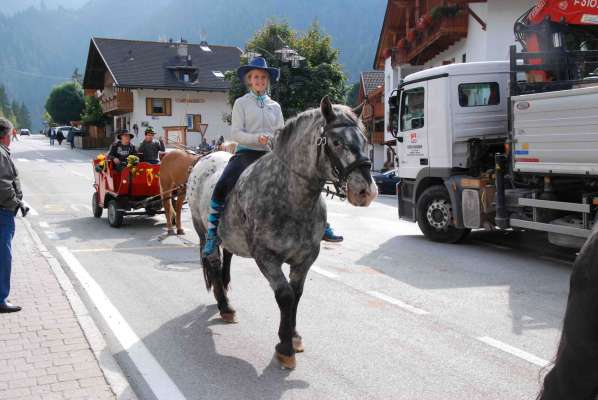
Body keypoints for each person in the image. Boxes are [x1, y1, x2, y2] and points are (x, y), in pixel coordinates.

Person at [203, 57, 342, 257]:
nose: (259, 80)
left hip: (273, 154)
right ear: (249, 80)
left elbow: (282, 132)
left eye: (262, 77)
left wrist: (276, 140)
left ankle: (322, 224)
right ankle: (211, 234)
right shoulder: (241, 103)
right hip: (246, 154)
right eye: (255, 77)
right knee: (223, 184)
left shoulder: (275, 106)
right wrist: (255, 138)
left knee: (306, 179)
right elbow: (235, 133)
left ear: (267, 80)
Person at [0, 118, 24, 313]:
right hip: (3, 211)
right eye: (10, 135)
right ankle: (1, 299)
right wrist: (17, 203)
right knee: (3, 256)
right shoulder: (1, 153)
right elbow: (4, 184)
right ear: (5, 135)